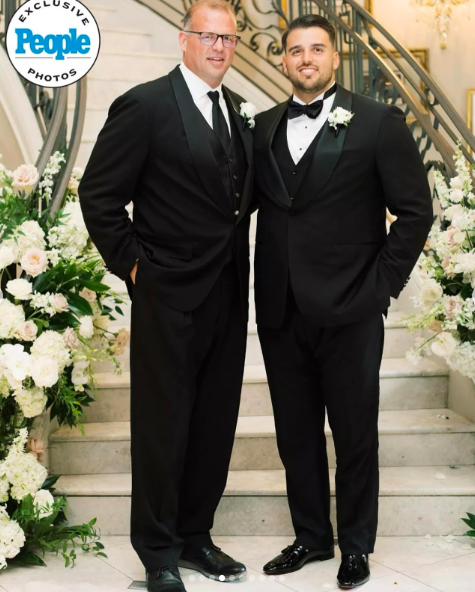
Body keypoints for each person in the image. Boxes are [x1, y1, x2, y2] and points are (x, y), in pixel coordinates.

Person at [78, 1, 255, 590]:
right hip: (166, 295)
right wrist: (133, 266)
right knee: (163, 425)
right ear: (184, 40)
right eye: (208, 36)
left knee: (214, 423)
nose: (219, 48)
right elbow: (99, 196)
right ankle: (157, 550)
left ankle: (195, 538)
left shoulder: (236, 110)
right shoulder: (146, 105)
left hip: (229, 293)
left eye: (228, 39)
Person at [253, 14, 433, 589]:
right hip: (281, 309)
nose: (306, 58)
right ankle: (310, 537)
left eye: (317, 49)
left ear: (336, 57)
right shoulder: (260, 128)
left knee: (355, 432)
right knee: (295, 433)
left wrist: (380, 286)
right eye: (295, 50)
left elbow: (415, 212)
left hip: (352, 308)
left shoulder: (379, 122)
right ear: (283, 60)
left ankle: (355, 544)